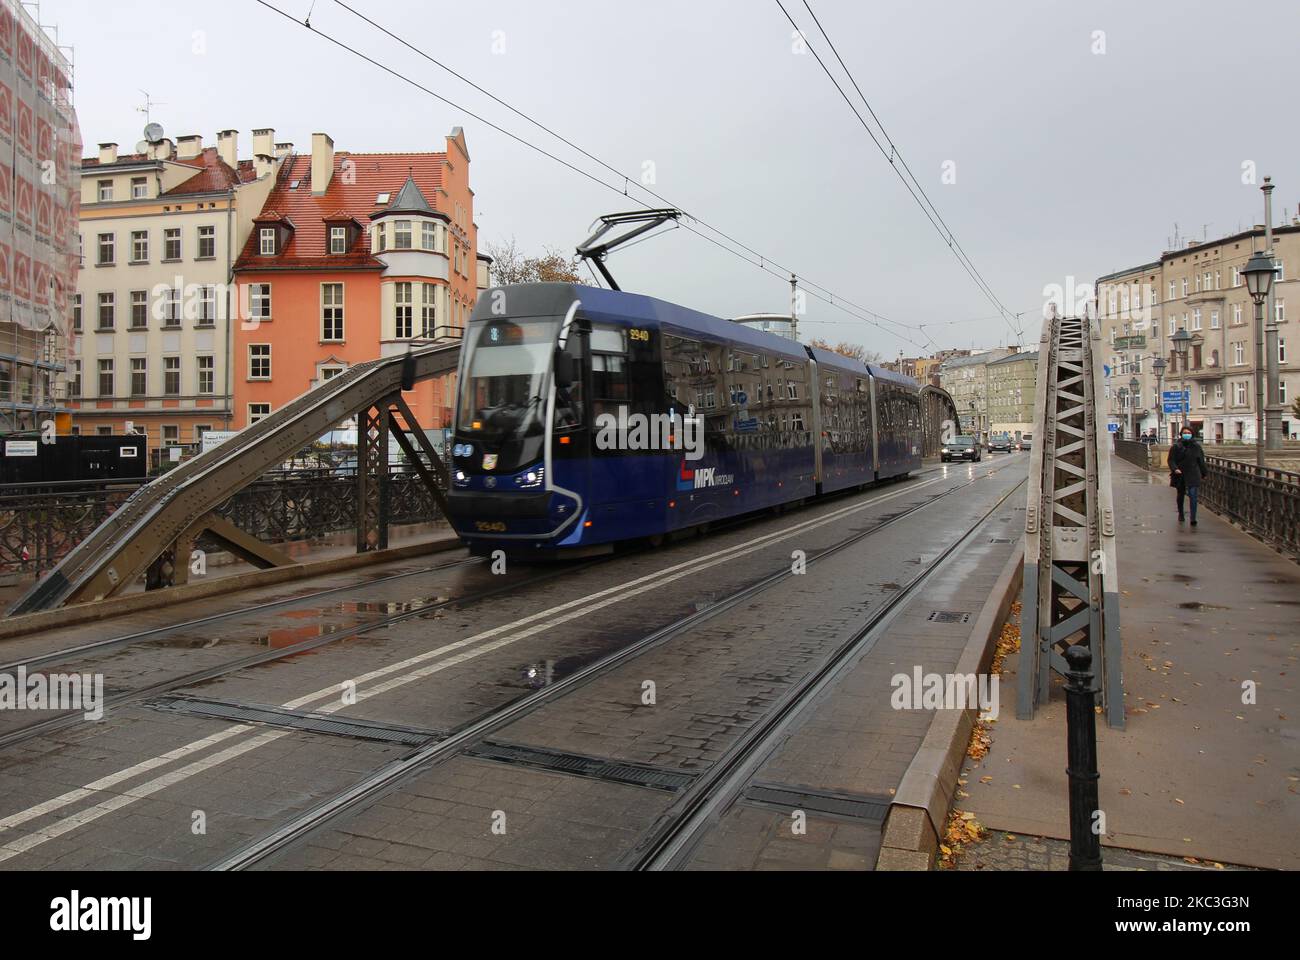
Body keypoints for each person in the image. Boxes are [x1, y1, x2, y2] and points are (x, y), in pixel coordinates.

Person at [1168, 425, 1207, 526]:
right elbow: (1171, 460)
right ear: (1181, 434)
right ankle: (1181, 513)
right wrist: (1175, 469)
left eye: (1189, 433)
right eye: (1185, 433)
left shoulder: (1196, 446)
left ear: (1192, 434)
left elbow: (1201, 461)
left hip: (1193, 473)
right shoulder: (1176, 446)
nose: (1187, 435)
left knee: (1193, 495)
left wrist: (1204, 473)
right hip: (1180, 473)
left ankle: (1193, 518)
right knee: (1180, 494)